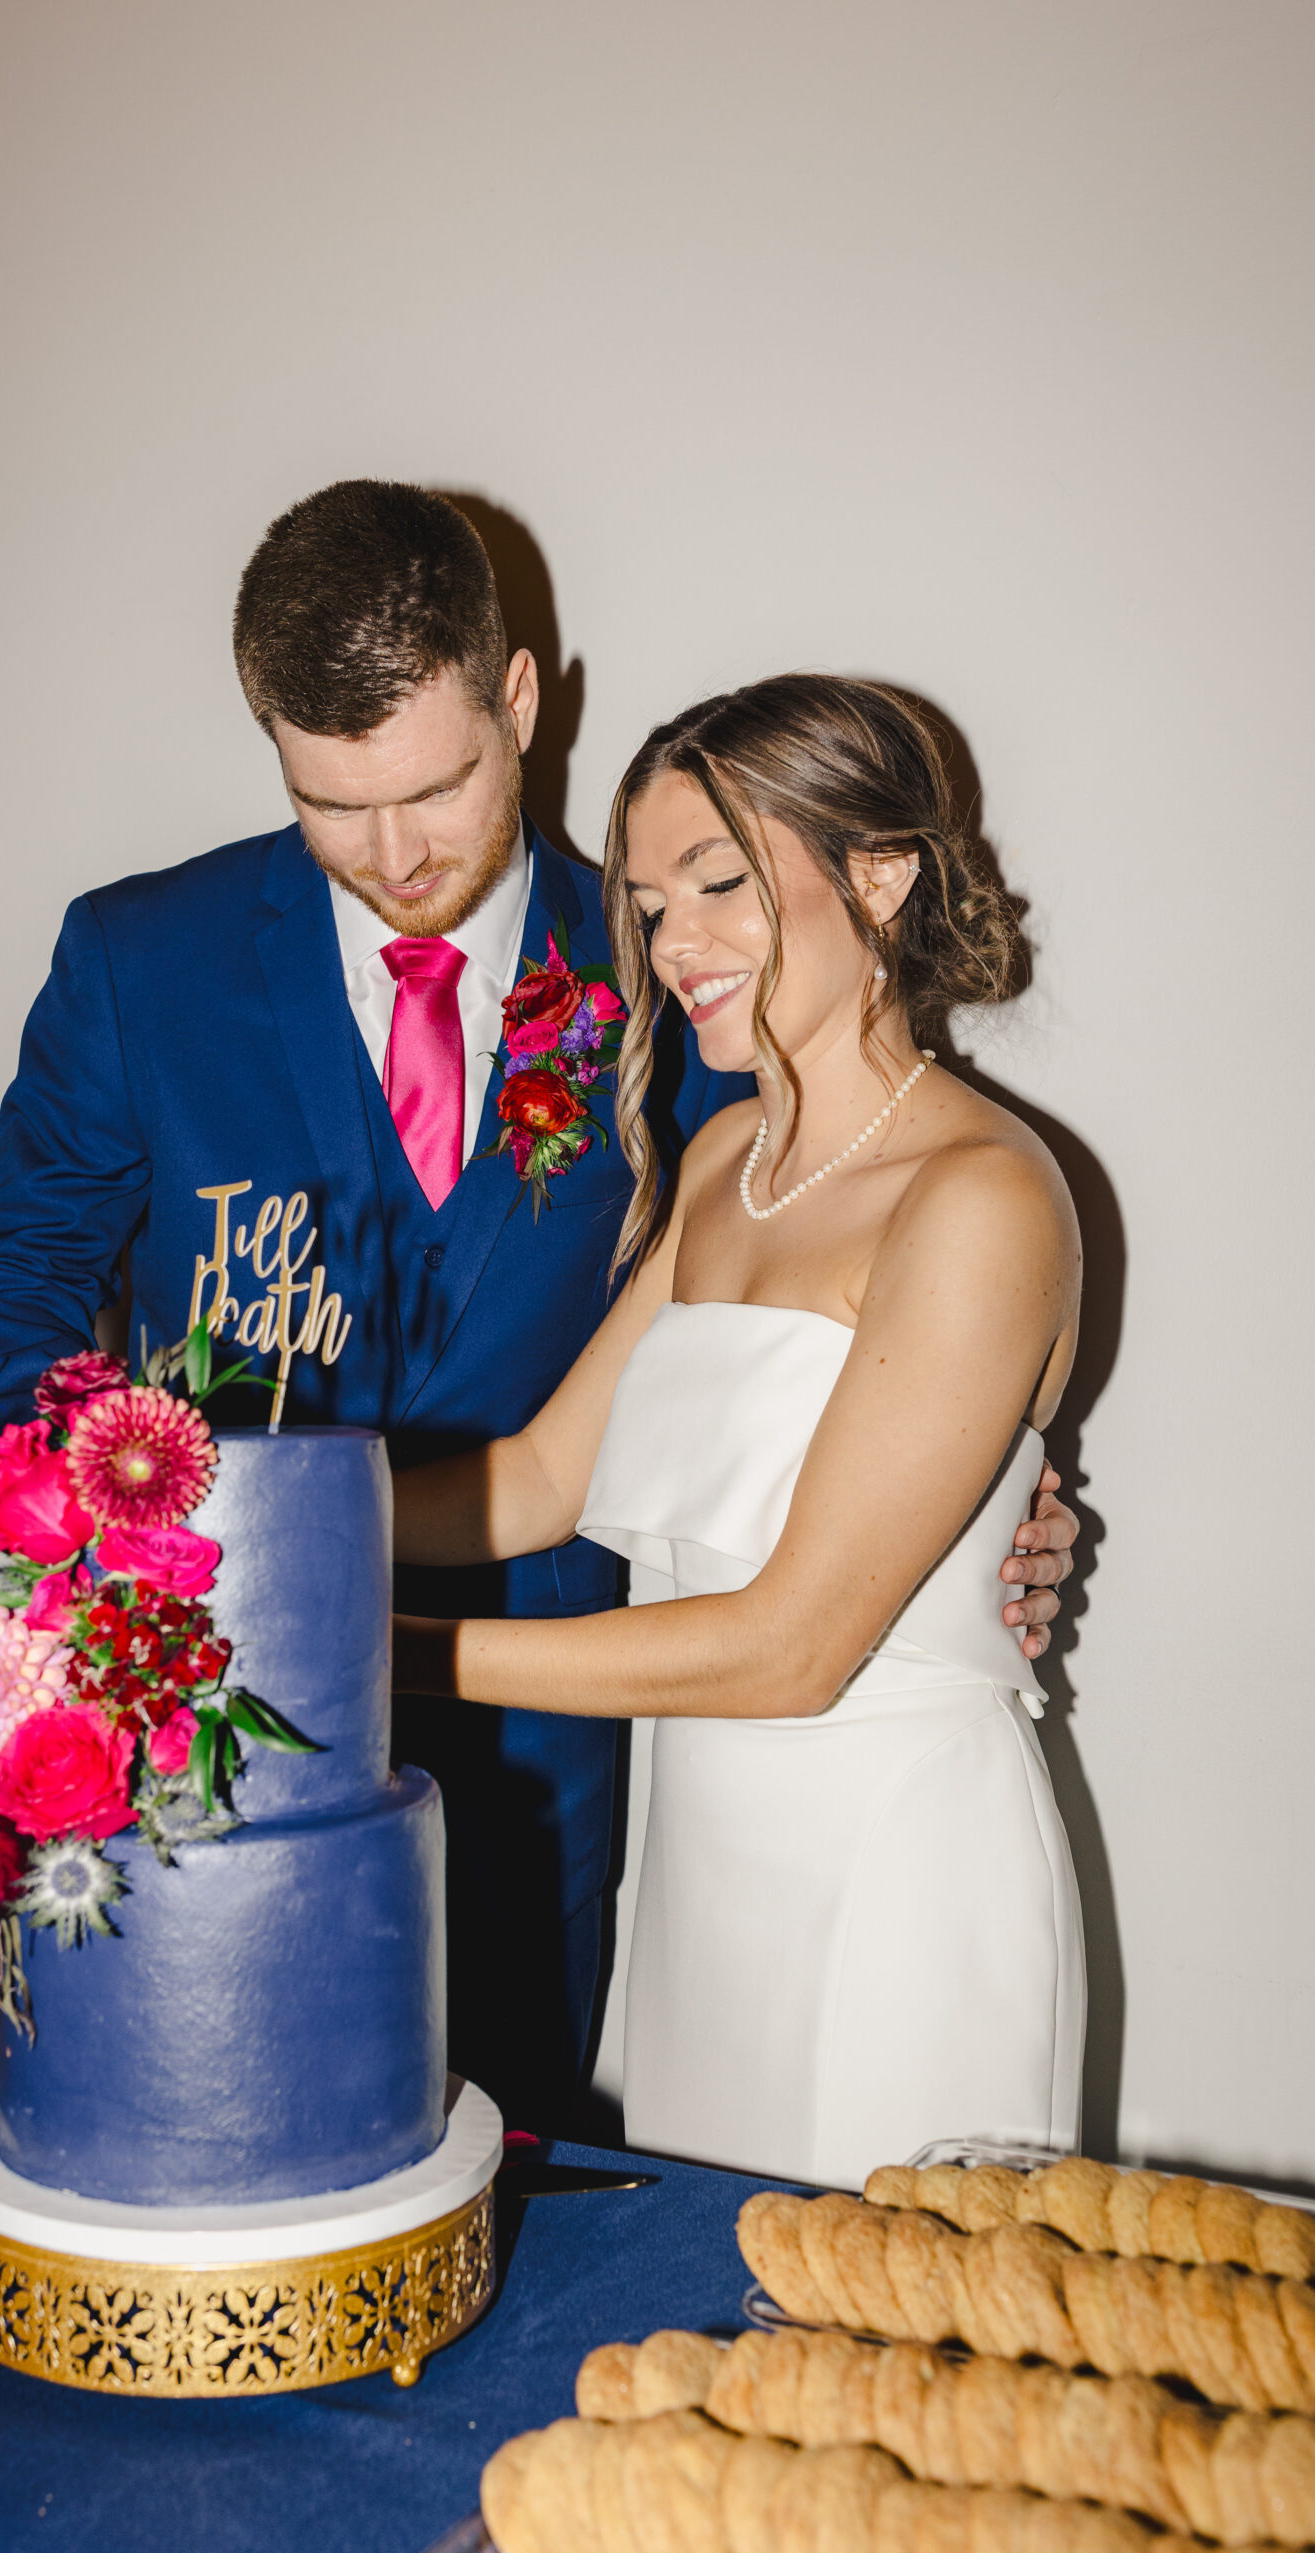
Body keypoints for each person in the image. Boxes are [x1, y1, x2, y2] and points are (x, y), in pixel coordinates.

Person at [0, 484, 1079, 2130]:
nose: (396, 854)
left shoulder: (675, 977)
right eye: (334, 804)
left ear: (520, 704)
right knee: (217, 2134)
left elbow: (863, 1345)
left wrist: (987, 1510)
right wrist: (137, 1534)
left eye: (440, 786)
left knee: (550, 2198)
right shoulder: (142, 960)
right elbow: (14, 1279)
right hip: (227, 1714)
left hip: (589, 1748)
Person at [391, 674, 1087, 2184]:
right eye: (646, 904)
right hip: (701, 1869)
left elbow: (793, 1646)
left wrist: (376, 1650)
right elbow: (536, 1481)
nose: (673, 945)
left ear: (881, 877)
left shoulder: (984, 1195)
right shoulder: (724, 1158)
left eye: (720, 884)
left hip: (898, 1879)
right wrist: (256, 1532)